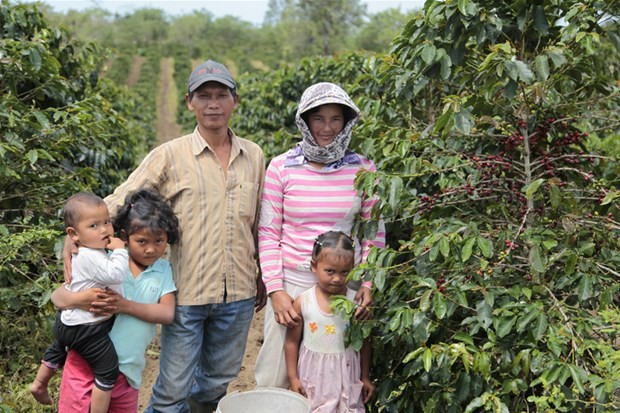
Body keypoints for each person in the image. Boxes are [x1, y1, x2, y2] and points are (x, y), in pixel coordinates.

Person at [61, 59, 266, 412]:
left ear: (236, 100)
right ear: (190, 102)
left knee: (218, 379)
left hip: (240, 292)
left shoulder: (255, 155)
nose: (213, 103)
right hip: (188, 290)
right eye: (204, 96)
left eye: (221, 95)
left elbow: (258, 221)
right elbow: (123, 196)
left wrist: (263, 271)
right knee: (173, 387)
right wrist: (75, 236)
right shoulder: (171, 155)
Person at [254, 82, 386, 389]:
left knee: (337, 371)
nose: (327, 128)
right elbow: (268, 233)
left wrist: (367, 283)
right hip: (294, 283)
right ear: (305, 120)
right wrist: (276, 290)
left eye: (335, 119)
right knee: (275, 375)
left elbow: (374, 233)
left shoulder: (364, 168)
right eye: (319, 119)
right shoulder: (281, 168)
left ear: (346, 122)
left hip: (343, 283)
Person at [53, 189, 180, 412]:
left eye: (159, 241)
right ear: (124, 237)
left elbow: (167, 314)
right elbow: (58, 296)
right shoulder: (106, 260)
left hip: (128, 373)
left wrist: (125, 306)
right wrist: (80, 298)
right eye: (141, 241)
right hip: (85, 368)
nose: (151, 249)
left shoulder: (163, 270)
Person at [31, 192, 128, 413]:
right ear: (73, 234)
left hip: (68, 323)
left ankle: (39, 383)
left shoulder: (85, 252)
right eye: (94, 226)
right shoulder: (90, 255)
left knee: (61, 347)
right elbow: (116, 275)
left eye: (106, 222)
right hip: (89, 329)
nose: (104, 230)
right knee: (107, 370)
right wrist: (120, 250)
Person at [285, 231, 375, 412]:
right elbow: (291, 341)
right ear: (313, 266)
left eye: (344, 272)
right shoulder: (304, 302)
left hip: (346, 375)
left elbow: (365, 341)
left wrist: (365, 376)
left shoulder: (356, 303)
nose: (337, 278)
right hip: (313, 376)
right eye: (330, 271)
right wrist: (293, 378)